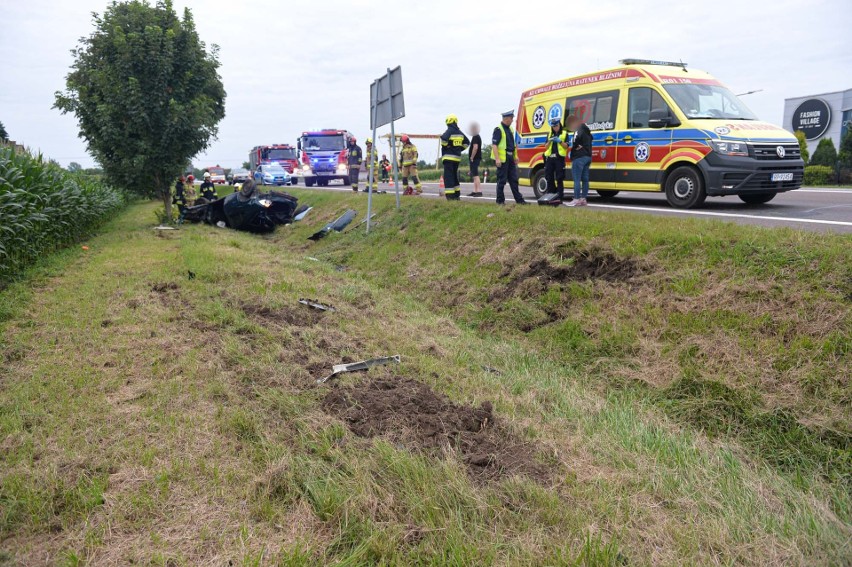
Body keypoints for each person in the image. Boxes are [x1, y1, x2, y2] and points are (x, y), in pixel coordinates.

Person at [492, 110, 527, 205]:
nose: (512, 120)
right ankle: (500, 201)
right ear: (506, 119)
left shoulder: (510, 129)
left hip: (511, 157)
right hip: (503, 159)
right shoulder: (498, 129)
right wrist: (497, 159)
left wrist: (515, 156)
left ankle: (519, 200)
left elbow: (513, 144)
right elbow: (494, 145)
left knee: (514, 180)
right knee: (502, 180)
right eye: (511, 118)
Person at [439, 114, 470, 201]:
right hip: (457, 158)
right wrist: (459, 149)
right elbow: (467, 142)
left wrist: (447, 146)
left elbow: (443, 140)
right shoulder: (459, 132)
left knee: (448, 177)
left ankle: (450, 197)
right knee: (454, 176)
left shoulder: (449, 131)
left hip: (448, 158)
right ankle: (457, 195)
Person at [565, 114, 593, 207]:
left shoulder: (578, 129)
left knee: (577, 179)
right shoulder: (587, 130)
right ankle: (583, 199)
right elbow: (590, 139)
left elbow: (576, 140)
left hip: (579, 157)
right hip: (588, 156)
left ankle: (576, 199)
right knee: (585, 179)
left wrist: (577, 145)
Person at [543, 117, 569, 202]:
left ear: (559, 125)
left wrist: (559, 141)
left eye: (556, 126)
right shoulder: (550, 133)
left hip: (559, 158)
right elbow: (546, 147)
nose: (555, 128)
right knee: (549, 177)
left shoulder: (564, 133)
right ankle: (551, 195)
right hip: (550, 158)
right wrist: (550, 141)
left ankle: (559, 196)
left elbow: (566, 146)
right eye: (553, 126)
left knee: (559, 178)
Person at [466, 122, 483, 197]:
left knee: (476, 175)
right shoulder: (475, 136)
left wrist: (472, 157)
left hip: (475, 158)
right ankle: (475, 191)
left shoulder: (476, 136)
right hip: (475, 159)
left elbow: (475, 147)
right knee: (474, 175)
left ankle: (479, 191)